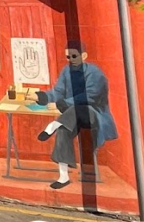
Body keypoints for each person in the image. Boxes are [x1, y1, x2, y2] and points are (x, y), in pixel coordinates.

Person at [35, 42, 118, 189]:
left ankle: (53, 125)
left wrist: (63, 103)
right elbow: (58, 91)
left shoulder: (95, 73)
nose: (71, 59)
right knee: (63, 131)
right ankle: (63, 176)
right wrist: (41, 97)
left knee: (78, 107)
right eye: (68, 56)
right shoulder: (66, 71)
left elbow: (89, 97)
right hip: (70, 117)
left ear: (84, 56)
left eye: (74, 56)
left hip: (94, 115)